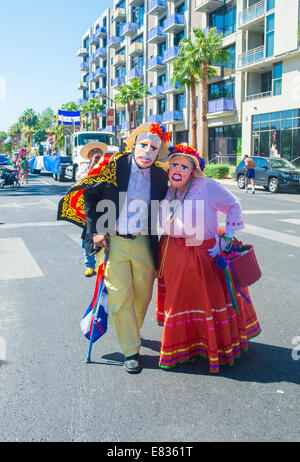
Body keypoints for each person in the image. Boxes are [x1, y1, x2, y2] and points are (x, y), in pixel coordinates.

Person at [156, 144, 262, 373]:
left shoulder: (207, 186)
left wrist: (226, 239)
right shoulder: (169, 187)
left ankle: (209, 347)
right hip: (172, 250)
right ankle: (185, 347)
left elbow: (233, 206)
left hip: (202, 252)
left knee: (204, 301)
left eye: (184, 165)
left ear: (193, 170)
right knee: (180, 302)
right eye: (174, 163)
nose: (177, 168)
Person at [83, 122, 171, 373]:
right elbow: (90, 195)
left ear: (158, 152)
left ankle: (131, 330)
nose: (147, 151)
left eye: (153, 148)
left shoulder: (160, 175)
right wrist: (97, 230)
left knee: (143, 295)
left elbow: (175, 197)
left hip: (144, 241)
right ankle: (131, 349)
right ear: (134, 145)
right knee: (120, 296)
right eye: (143, 145)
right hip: (113, 241)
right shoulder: (113, 165)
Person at [76, 142, 108, 277]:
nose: (97, 154)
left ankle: (103, 262)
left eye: (98, 151)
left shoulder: (107, 167)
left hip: (105, 206)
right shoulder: (83, 168)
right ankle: (89, 264)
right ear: (89, 155)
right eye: (93, 152)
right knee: (88, 233)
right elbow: (80, 183)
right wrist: (92, 166)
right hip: (89, 207)